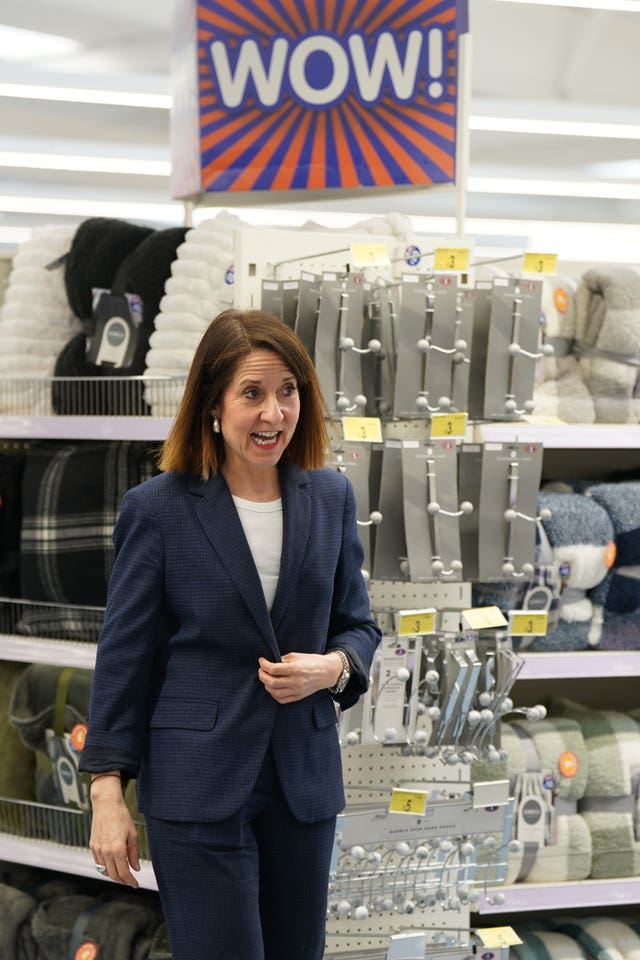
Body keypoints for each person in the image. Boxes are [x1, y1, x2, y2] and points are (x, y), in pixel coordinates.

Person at [79, 308, 381, 960]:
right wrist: (107, 794)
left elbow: (358, 625)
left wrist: (332, 668)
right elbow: (125, 657)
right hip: (198, 785)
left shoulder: (329, 497)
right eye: (252, 394)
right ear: (213, 403)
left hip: (302, 784)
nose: (273, 413)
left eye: (287, 392)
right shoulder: (157, 510)